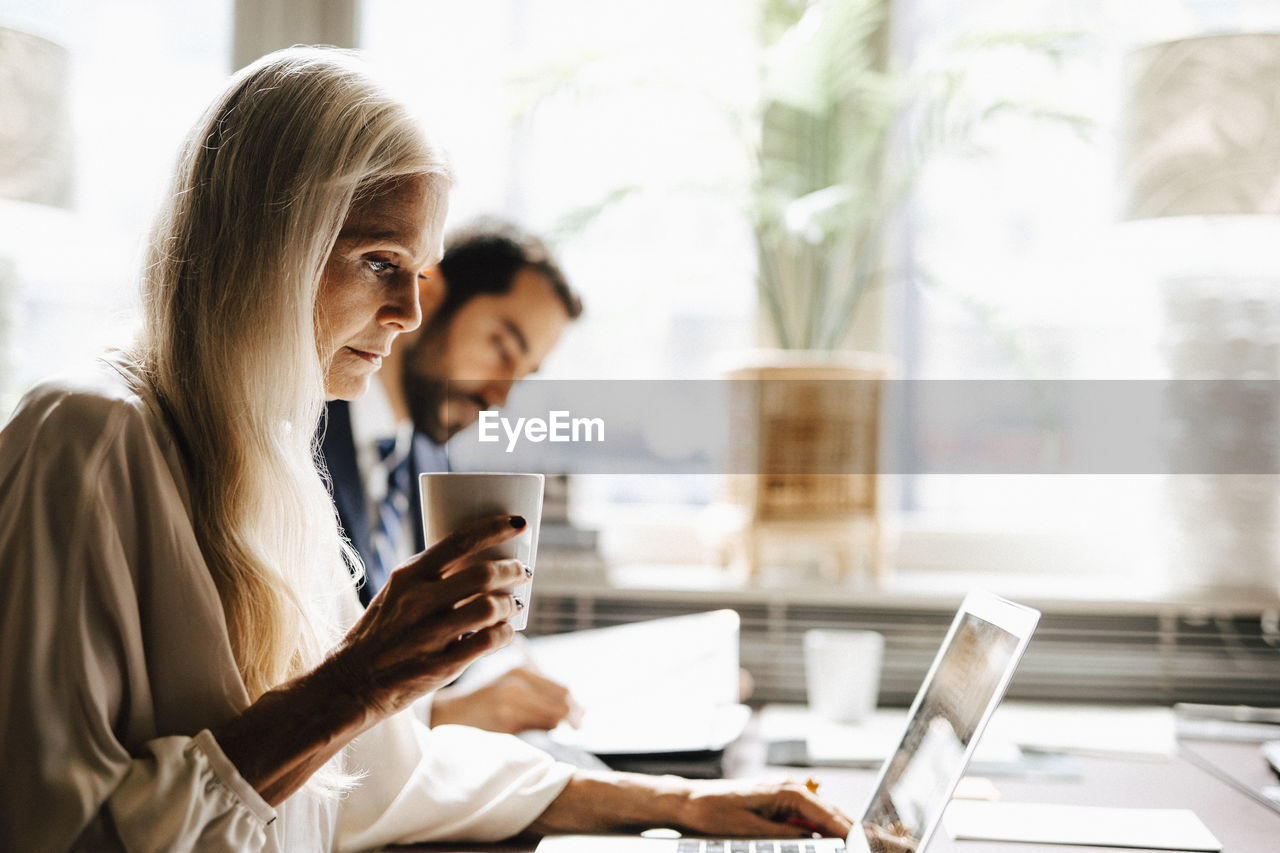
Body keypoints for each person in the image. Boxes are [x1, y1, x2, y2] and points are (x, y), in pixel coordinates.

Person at [0, 47, 852, 851]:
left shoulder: (270, 457)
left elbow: (378, 777)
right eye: (380, 261)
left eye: (421, 267)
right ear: (269, 250)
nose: (410, 310)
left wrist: (676, 804)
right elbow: (57, 833)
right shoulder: (88, 438)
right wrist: (358, 681)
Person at [320, 219, 583, 734]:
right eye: (502, 348)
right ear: (431, 294)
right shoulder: (301, 435)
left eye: (522, 374)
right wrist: (445, 716)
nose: (498, 397)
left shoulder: (426, 458)